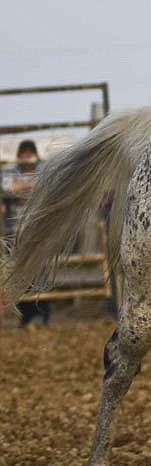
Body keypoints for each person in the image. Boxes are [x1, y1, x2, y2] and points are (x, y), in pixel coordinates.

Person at [1, 140, 50, 327]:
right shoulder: (8, 172)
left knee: (41, 272)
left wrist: (20, 187)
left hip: (39, 230)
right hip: (15, 232)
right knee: (19, 274)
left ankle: (44, 315)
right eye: (24, 152)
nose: (27, 156)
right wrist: (30, 186)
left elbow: (46, 185)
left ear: (36, 154)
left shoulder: (45, 169)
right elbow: (7, 187)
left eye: (30, 152)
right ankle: (26, 316)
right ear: (18, 155)